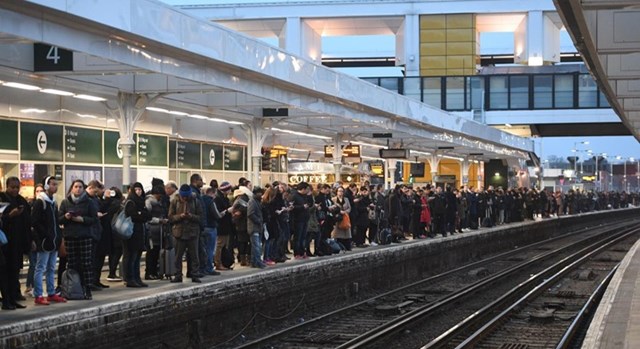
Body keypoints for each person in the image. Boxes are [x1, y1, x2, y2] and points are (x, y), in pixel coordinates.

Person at [58, 179, 98, 300]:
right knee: (72, 263)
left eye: (80, 187)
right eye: (76, 186)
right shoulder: (65, 202)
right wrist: (66, 217)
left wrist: (82, 220)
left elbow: (94, 219)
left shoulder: (89, 202)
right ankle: (72, 288)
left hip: (84, 235)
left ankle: (87, 288)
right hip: (70, 236)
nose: (78, 189)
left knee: (86, 263)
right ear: (72, 188)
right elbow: (59, 219)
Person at [31, 176, 66, 305]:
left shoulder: (54, 202)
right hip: (45, 241)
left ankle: (51, 293)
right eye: (52, 184)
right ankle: (38, 295)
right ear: (46, 185)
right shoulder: (41, 202)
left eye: (56, 184)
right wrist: (44, 236)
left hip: (54, 240)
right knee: (40, 268)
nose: (55, 187)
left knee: (51, 268)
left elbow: (56, 222)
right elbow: (35, 222)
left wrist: (59, 238)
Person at [0, 177, 31, 310]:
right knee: (4, 272)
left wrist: (29, 242)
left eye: (17, 187)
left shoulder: (21, 200)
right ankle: (6, 300)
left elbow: (27, 223)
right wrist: (9, 216)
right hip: (5, 243)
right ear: (7, 186)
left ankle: (13, 298)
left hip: (17, 243)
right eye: (12, 187)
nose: (15, 190)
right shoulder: (2, 199)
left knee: (14, 273)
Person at [169, 184, 203, 283]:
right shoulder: (174, 201)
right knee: (178, 256)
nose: (185, 198)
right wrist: (180, 216)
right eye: (183, 196)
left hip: (193, 232)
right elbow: (170, 217)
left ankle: (195, 274)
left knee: (194, 256)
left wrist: (191, 216)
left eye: (186, 196)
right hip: (179, 232)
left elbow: (200, 217)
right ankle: (178, 275)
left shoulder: (196, 201)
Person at [122, 182, 151, 288]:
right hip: (131, 233)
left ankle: (137, 278)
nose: (138, 191)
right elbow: (134, 216)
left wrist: (141, 214)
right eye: (136, 189)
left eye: (140, 189)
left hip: (140, 232)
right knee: (131, 256)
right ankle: (130, 278)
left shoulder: (142, 202)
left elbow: (148, 215)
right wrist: (140, 214)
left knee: (137, 257)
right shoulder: (130, 202)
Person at [145, 185, 168, 280]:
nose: (160, 197)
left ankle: (154, 271)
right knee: (151, 253)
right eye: (159, 195)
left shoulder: (159, 203)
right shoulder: (149, 202)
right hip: (152, 231)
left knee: (156, 253)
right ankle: (149, 272)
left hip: (159, 231)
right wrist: (159, 220)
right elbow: (147, 217)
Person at [213, 181, 234, 270]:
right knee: (220, 245)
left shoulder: (224, 198)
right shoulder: (218, 199)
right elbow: (219, 213)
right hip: (222, 225)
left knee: (223, 245)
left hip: (226, 225)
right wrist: (227, 211)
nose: (230, 191)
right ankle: (218, 263)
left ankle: (223, 262)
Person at [105, 188, 124, 281]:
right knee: (117, 251)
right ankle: (112, 272)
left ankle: (111, 272)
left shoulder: (107, 203)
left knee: (112, 252)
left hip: (109, 230)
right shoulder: (118, 204)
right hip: (117, 229)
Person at [247, 187, 266, 268]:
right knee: (256, 245)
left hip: (258, 227)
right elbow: (250, 214)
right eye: (260, 193)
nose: (261, 195)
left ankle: (254, 261)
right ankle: (257, 262)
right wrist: (258, 220)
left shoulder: (257, 202)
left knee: (257, 245)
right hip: (254, 227)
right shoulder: (252, 202)